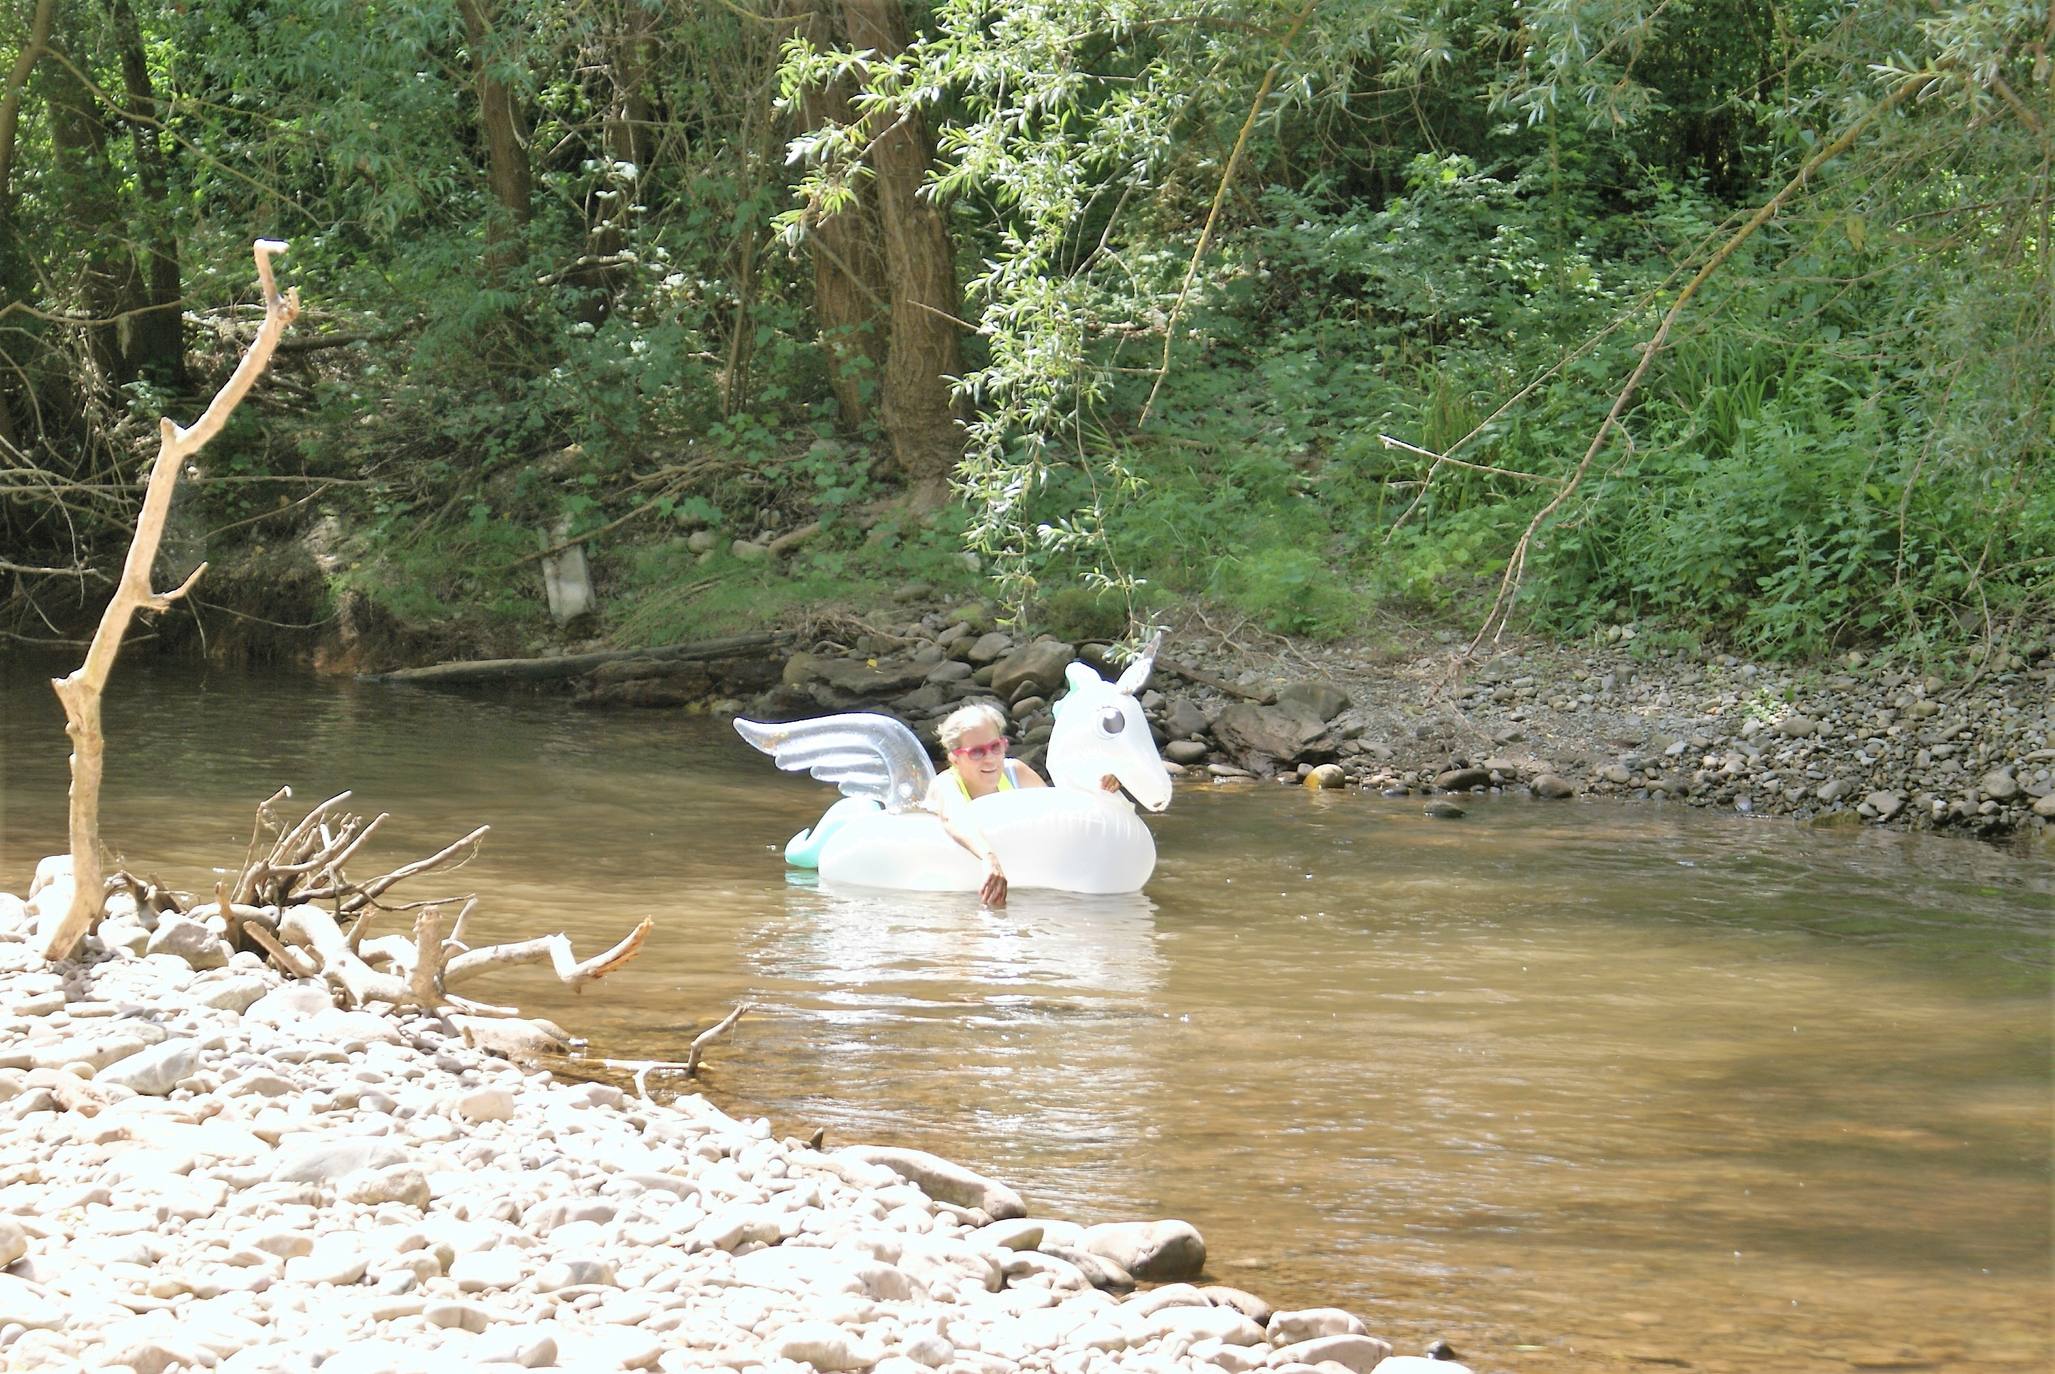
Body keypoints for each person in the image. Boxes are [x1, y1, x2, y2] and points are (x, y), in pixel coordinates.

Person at [924, 702, 1047, 908]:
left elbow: (1059, 813)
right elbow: (954, 818)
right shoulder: (945, 784)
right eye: (977, 752)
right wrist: (989, 858)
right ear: (954, 757)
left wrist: (1108, 788)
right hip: (958, 896)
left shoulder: (1016, 773)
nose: (990, 759)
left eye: (995, 747)